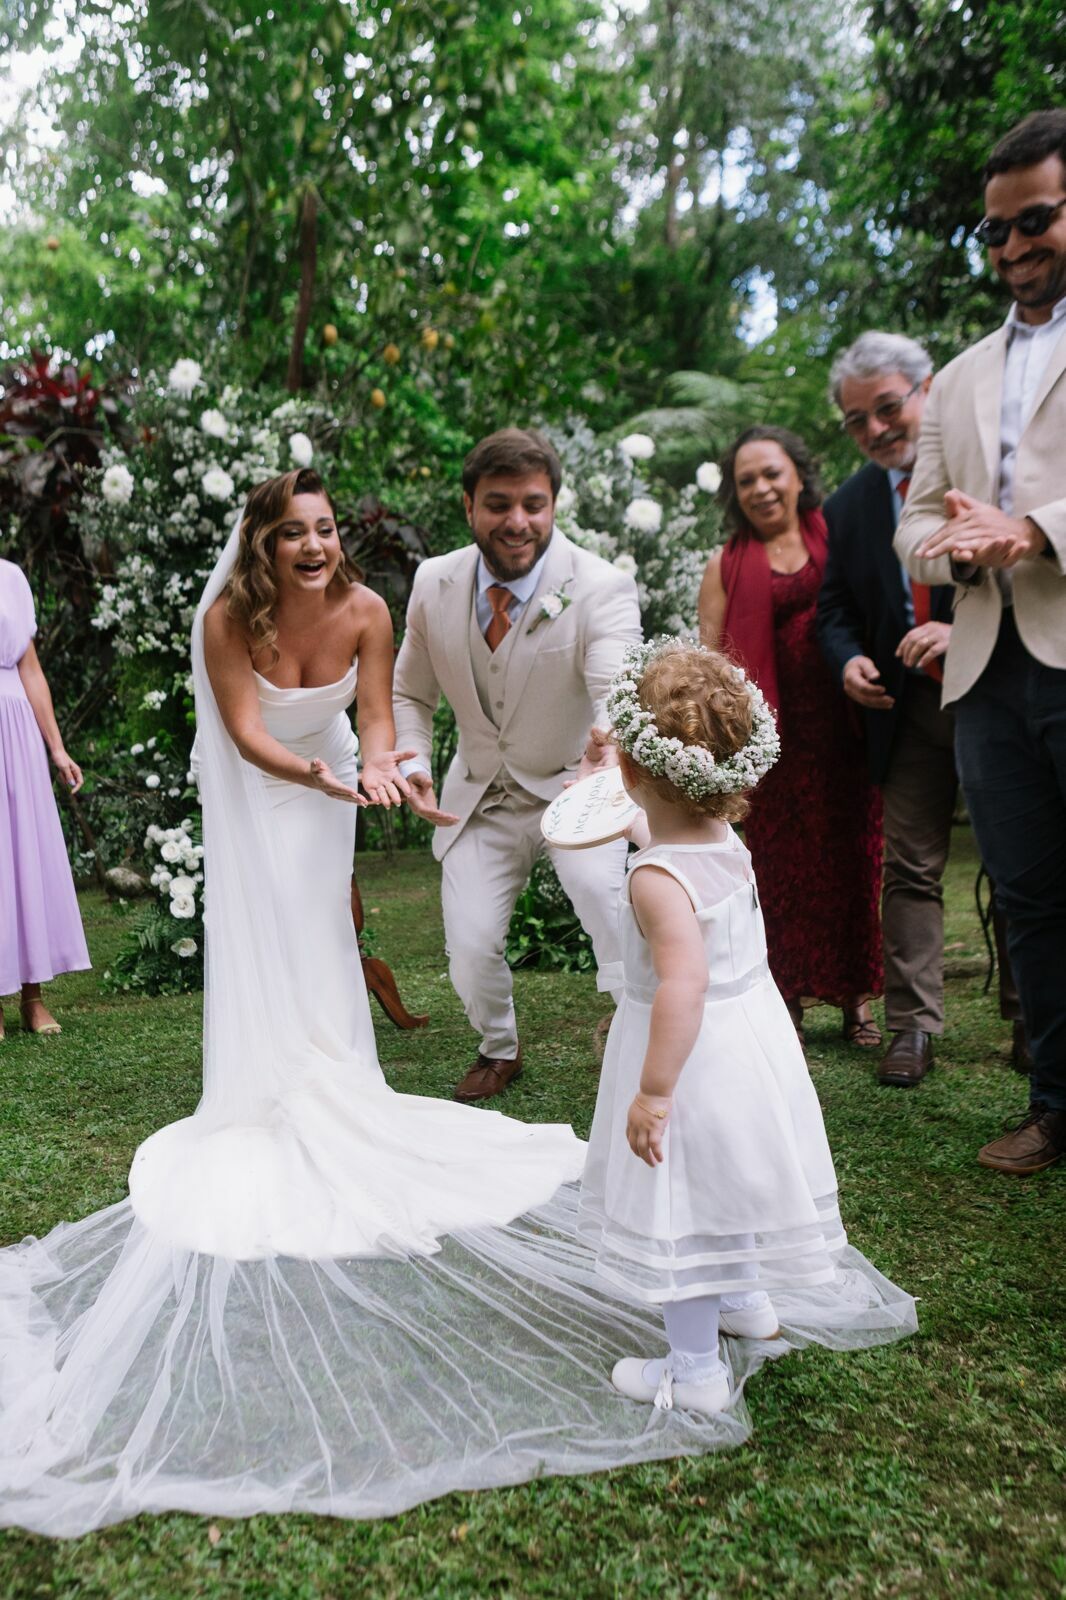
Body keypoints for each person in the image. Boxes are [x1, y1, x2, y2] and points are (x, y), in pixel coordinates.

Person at [0, 479, 912, 1537]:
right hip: (281, 794)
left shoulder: (388, 612)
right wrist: (331, 776)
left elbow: (387, 720)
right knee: (297, 937)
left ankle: (350, 1088)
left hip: (380, 803)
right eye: (293, 531)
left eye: (325, 528)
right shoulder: (240, 617)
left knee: (340, 949)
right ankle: (279, 1082)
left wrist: (386, 770)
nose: (314, 543)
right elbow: (256, 731)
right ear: (261, 544)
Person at [578, 639, 915, 1414]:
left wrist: (653, 1092)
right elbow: (654, 828)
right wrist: (613, 784)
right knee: (729, 1179)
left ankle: (695, 1371)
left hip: (688, 1057)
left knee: (684, 1205)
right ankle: (745, 1301)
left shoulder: (656, 879)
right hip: (749, 1043)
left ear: (634, 770)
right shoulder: (719, 842)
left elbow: (683, 983)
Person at [896, 111, 1066, 1174]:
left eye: (1035, 220)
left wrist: (1035, 531)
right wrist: (958, 550)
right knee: (1029, 899)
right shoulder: (955, 378)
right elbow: (915, 520)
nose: (1012, 247)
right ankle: (1055, 1108)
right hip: (987, 670)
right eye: (995, 231)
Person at [393, 427, 641, 1101]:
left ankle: (641, 1026)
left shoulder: (600, 586)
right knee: (470, 946)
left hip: (575, 783)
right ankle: (499, 1046)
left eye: (534, 504)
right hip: (481, 794)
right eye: (499, 504)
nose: (518, 521)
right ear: (469, 506)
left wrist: (606, 741)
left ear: (553, 503)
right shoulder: (433, 582)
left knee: (606, 902)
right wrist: (413, 762)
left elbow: (617, 689)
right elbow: (409, 693)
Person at [698, 426, 883, 1050]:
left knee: (854, 865)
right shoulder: (725, 565)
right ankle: (789, 1003)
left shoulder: (841, 536)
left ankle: (858, 1003)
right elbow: (712, 660)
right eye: (746, 480)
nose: (761, 488)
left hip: (846, 734)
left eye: (771, 473)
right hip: (772, 747)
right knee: (780, 876)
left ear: (799, 475)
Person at [0, 558, 90, 1039]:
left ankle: (32, 997)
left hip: (15, 732)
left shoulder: (11, 578)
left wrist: (57, 748)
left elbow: (30, 670)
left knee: (22, 854)